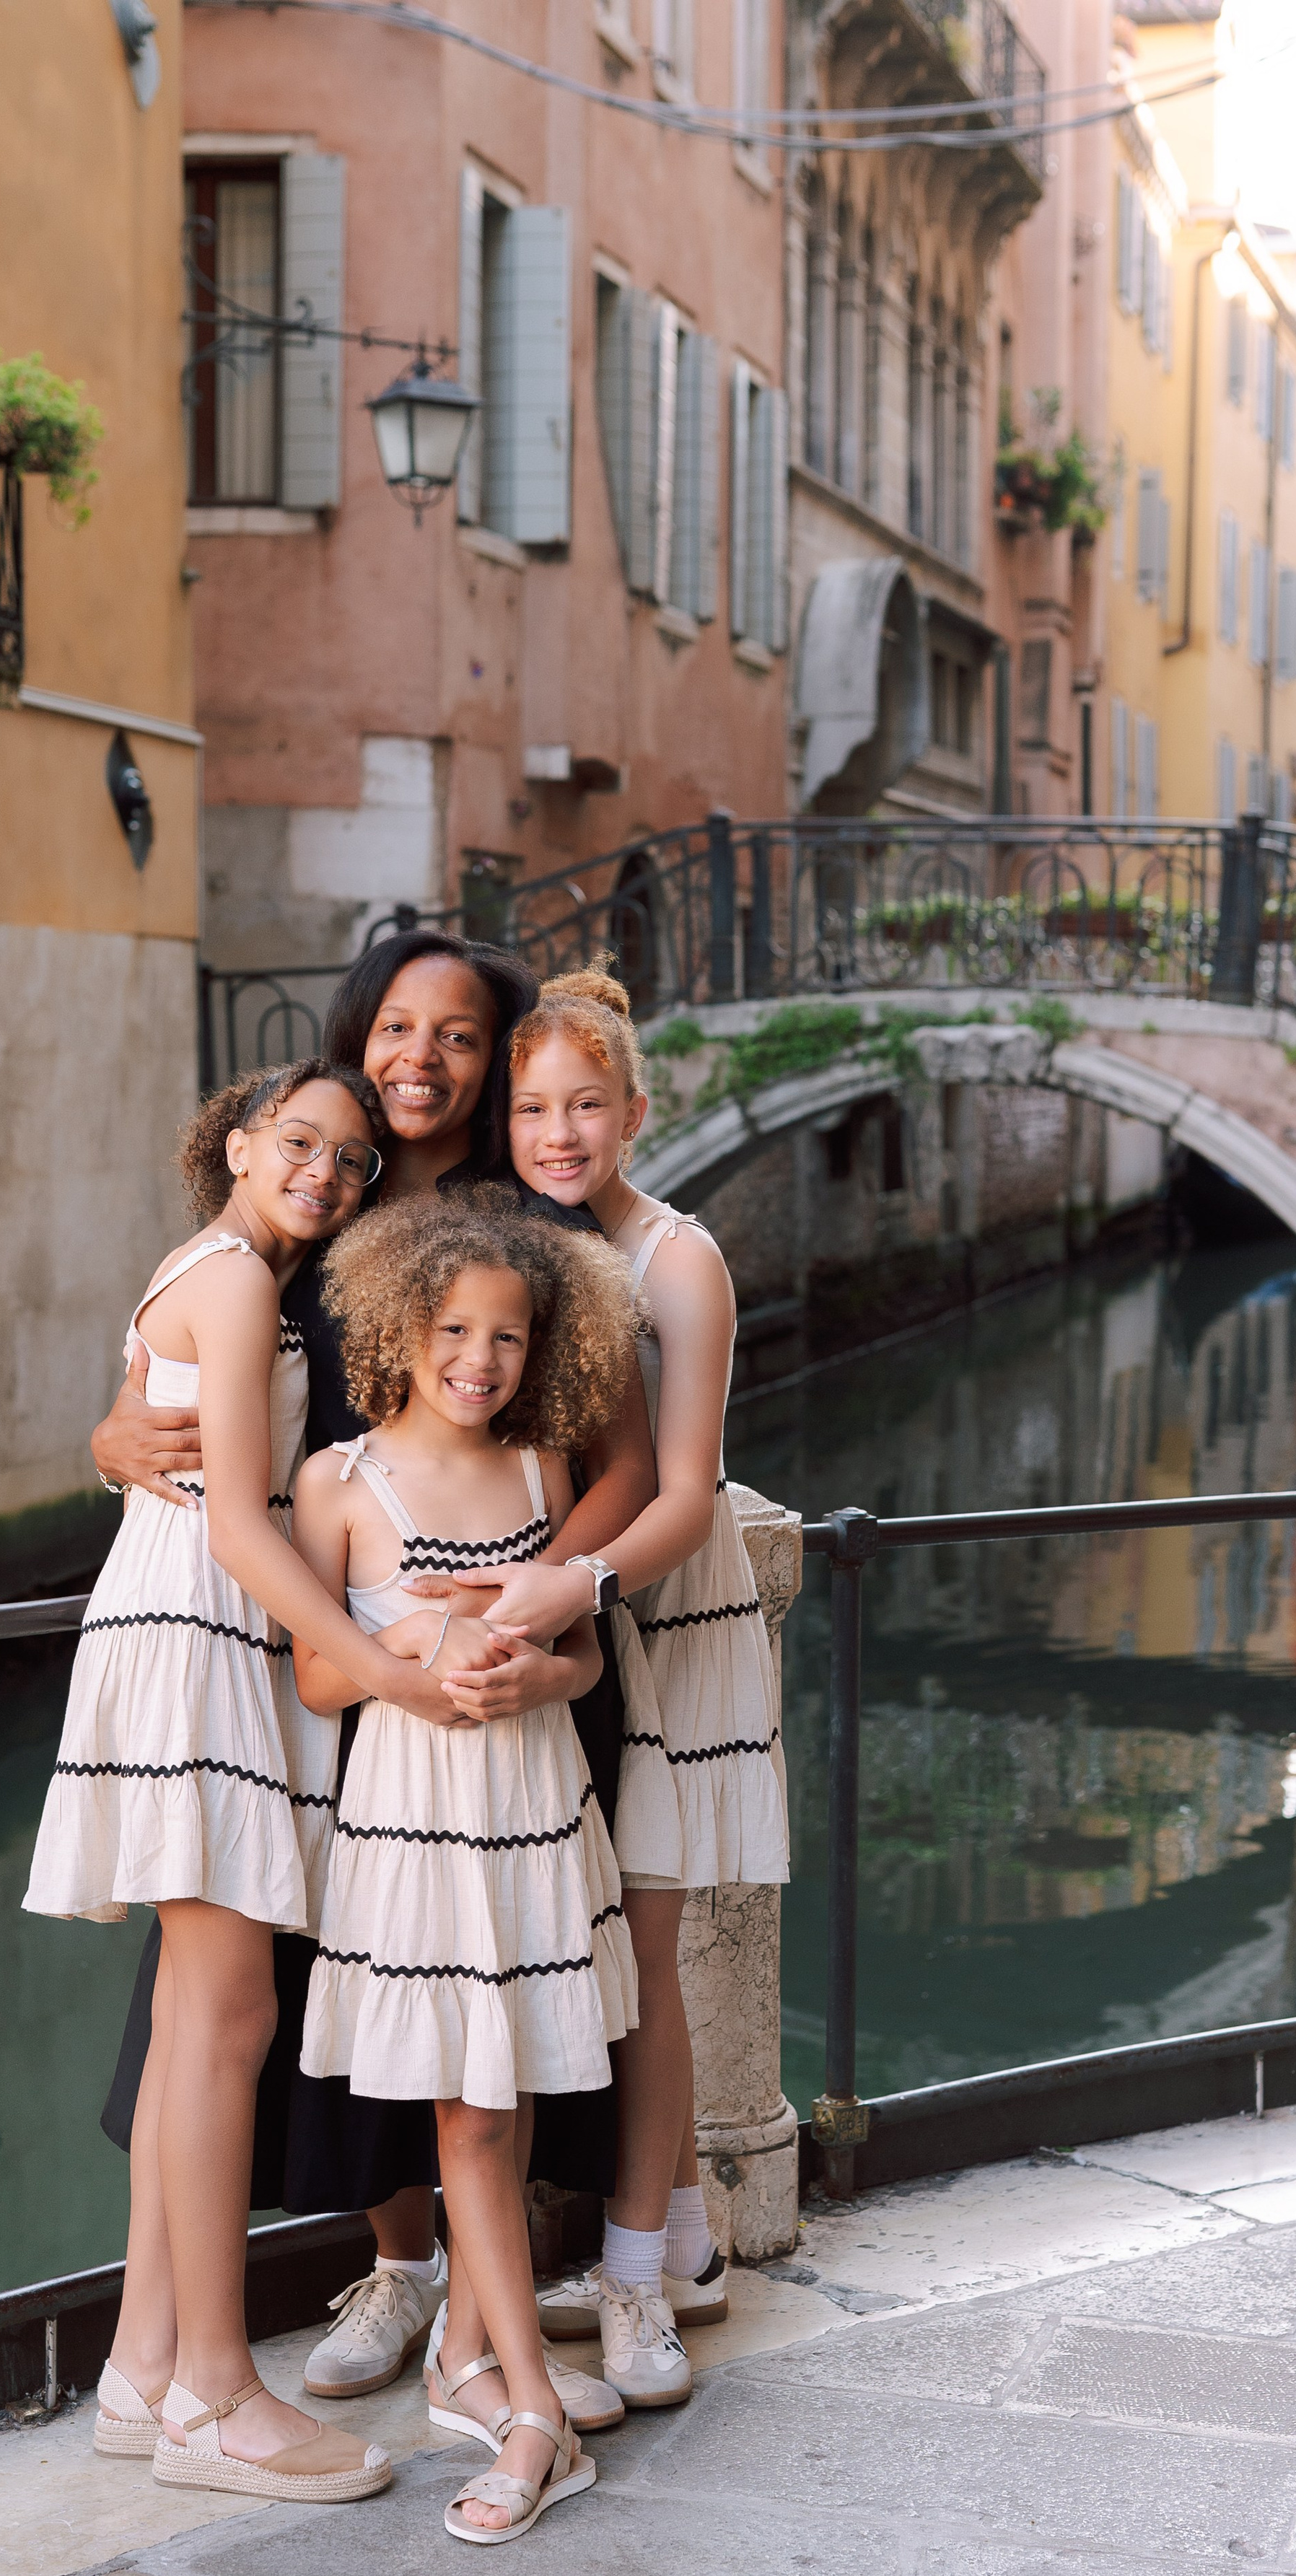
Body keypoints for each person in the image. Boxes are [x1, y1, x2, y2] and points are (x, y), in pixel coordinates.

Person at [87, 933, 656, 2407]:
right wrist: (110, 1436)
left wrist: (538, 1602)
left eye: (458, 1036)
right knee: (333, 1977)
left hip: (486, 1661)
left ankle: (487, 2319)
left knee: (487, 1991)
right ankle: (396, 2273)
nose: (422, 1058)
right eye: (397, 1027)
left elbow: (617, 1464)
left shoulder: (521, 1222)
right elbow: (198, 1396)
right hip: (312, 1659)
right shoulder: (293, 1209)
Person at [25, 1059, 450, 2505]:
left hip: (190, 1636)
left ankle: (146, 2367)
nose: (326, 1171)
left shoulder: (219, 1276)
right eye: (300, 1141)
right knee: (228, 2013)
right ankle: (215, 2394)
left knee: (202, 2014)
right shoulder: (228, 1281)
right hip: (201, 1633)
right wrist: (365, 1659)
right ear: (238, 1142)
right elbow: (237, 1528)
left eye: (348, 1160)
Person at [427, 967, 789, 2411]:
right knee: (616, 1953)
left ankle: (637, 2275)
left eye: (585, 1104)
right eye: (532, 1106)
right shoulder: (522, 1245)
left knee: (639, 1961)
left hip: (670, 1621)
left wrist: (560, 1584)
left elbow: (688, 1494)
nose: (559, 1128)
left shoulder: (673, 1258)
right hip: (595, 1631)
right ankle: (681, 2234)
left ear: (635, 1113)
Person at [292, 1194, 639, 2541]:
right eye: (453, 1329)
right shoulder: (339, 1484)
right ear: (401, 1325)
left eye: (509, 1335)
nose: (480, 1359)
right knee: (467, 2113)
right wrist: (425, 1672)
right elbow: (321, 1676)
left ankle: (479, 2366)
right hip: (414, 1825)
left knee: (508, 2092)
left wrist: (532, 1673)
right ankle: (533, 2408)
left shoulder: (547, 1473)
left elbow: (588, 1662)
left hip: (533, 1809)